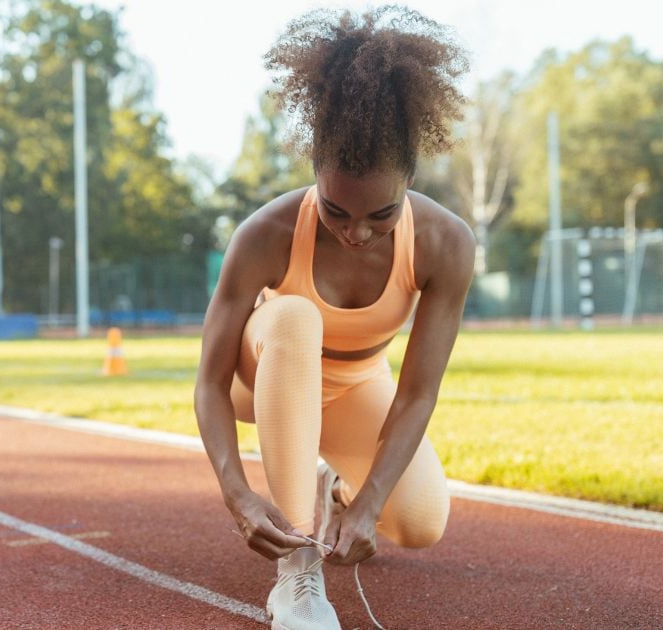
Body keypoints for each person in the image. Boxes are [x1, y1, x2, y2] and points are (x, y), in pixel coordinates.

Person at [193, 7, 473, 629]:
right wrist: (238, 494)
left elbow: (417, 391)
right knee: (293, 318)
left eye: (381, 214)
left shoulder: (446, 243)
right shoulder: (263, 233)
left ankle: (330, 486)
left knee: (420, 524)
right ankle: (297, 578)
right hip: (259, 378)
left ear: (410, 179)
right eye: (336, 210)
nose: (356, 232)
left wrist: (369, 501)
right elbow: (210, 383)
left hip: (353, 385)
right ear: (315, 174)